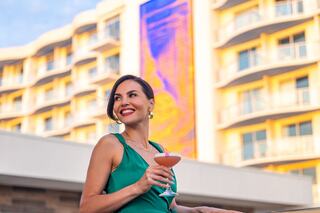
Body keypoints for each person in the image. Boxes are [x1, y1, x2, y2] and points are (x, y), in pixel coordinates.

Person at [79, 75, 242, 213]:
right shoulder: (110, 144)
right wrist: (138, 187)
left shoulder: (160, 151)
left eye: (132, 95)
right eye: (117, 98)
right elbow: (86, 207)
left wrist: (198, 210)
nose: (124, 102)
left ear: (151, 104)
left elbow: (170, 207)